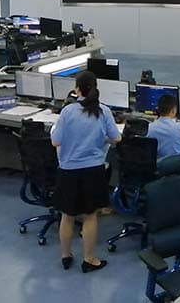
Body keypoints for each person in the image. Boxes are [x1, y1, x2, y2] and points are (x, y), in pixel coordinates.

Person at [50, 71, 120, 273]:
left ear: (77, 89)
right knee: (90, 216)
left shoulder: (68, 111)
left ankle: (66, 255)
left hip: (68, 170)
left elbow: (55, 141)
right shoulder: (104, 111)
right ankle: (89, 259)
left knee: (67, 215)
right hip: (93, 171)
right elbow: (116, 138)